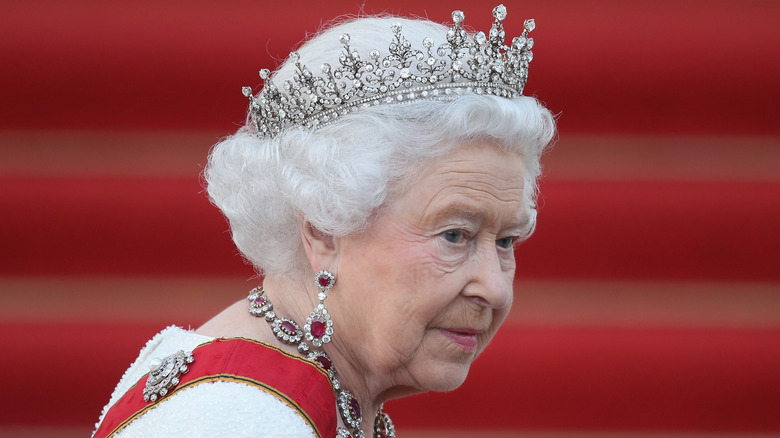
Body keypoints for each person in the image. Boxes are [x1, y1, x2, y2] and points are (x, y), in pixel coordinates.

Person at [93, 4, 555, 438]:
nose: (495, 289)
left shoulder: (301, 395)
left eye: (507, 241)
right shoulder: (241, 421)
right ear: (323, 226)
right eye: (455, 235)